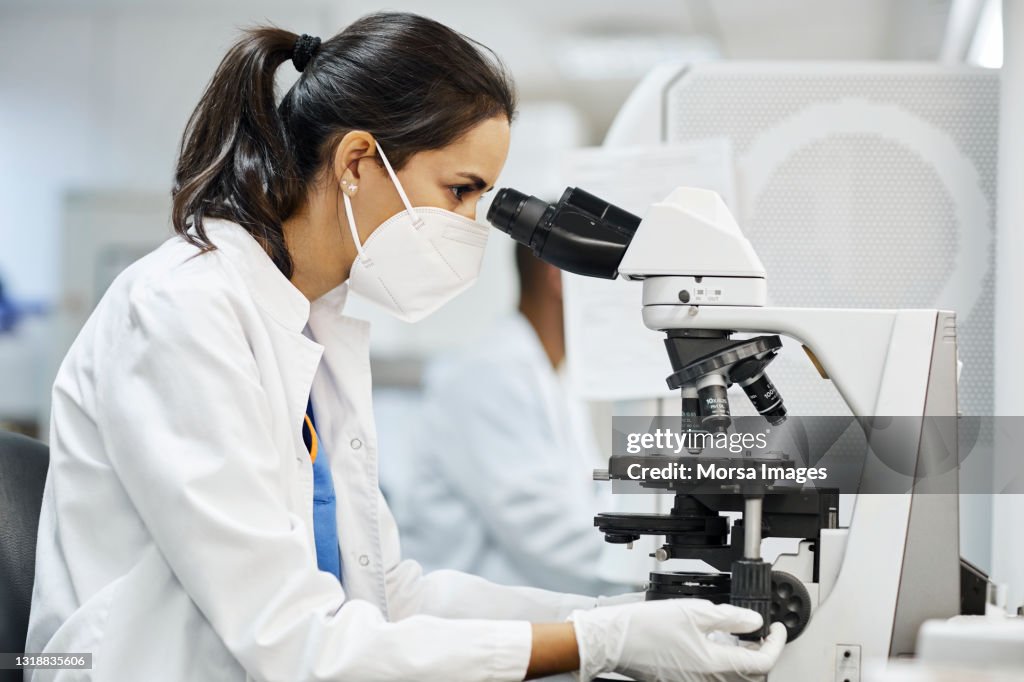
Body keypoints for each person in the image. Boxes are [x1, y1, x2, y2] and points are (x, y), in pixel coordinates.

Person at [25, 12, 785, 681]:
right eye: (459, 190)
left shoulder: (318, 324)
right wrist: (598, 643)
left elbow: (389, 596)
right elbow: (297, 646)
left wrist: (616, 613)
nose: (470, 223)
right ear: (358, 162)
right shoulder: (182, 310)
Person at [397, 243, 630, 596]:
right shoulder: (491, 373)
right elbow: (547, 536)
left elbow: (592, 503)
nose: (632, 296)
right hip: (465, 630)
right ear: (560, 277)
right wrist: (654, 566)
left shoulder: (551, 376)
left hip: (520, 619)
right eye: (621, 277)